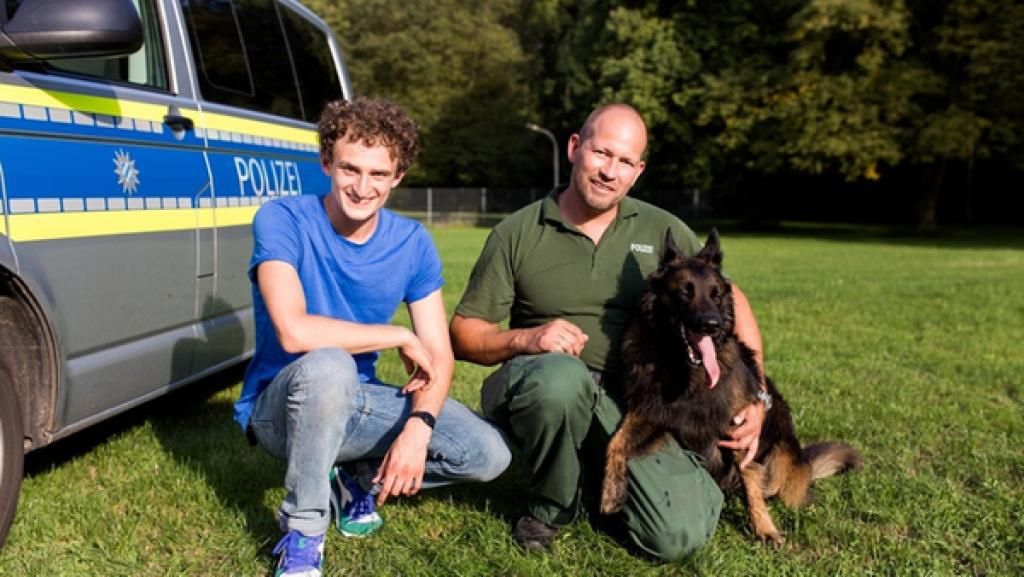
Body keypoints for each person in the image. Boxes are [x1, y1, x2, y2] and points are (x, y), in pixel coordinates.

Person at [449, 104, 768, 560]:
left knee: (676, 536)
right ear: (575, 148)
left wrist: (758, 399)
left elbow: (726, 295)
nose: (609, 171)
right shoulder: (517, 232)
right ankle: (550, 507)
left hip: (634, 400)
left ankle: (613, 482)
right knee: (559, 381)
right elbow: (464, 333)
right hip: (543, 382)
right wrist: (527, 339)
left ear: (637, 172)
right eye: (601, 153)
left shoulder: (660, 228)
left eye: (624, 162)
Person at [234, 96, 510, 577]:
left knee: (487, 454)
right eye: (350, 169)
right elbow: (293, 330)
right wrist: (396, 335)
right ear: (326, 163)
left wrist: (418, 428)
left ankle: (355, 478)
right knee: (330, 363)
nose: (362, 187)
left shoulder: (413, 243)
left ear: (397, 176)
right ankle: (303, 532)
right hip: (282, 411)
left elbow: (439, 358)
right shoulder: (282, 219)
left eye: (378, 174)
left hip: (355, 403)